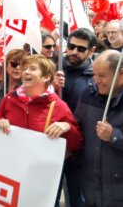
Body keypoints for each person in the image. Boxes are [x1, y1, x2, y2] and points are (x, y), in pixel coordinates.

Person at [0, 54, 82, 153]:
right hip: (11, 160)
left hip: (38, 166)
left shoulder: (58, 106)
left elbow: (76, 144)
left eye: (32, 69)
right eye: (24, 69)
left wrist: (67, 127)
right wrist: (0, 121)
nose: (26, 72)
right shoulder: (10, 98)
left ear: (46, 77)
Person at [53, 28, 98, 207]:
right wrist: (51, 85)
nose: (73, 52)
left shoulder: (96, 77)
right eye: (71, 46)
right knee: (48, 196)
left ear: (91, 51)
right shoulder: (54, 68)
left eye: (80, 49)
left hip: (80, 149)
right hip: (52, 142)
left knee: (77, 198)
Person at [74, 50, 123, 207]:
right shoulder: (88, 94)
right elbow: (77, 126)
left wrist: (114, 136)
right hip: (91, 189)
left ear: (120, 75)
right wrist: (65, 126)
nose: (96, 80)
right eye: (94, 74)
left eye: (101, 76)